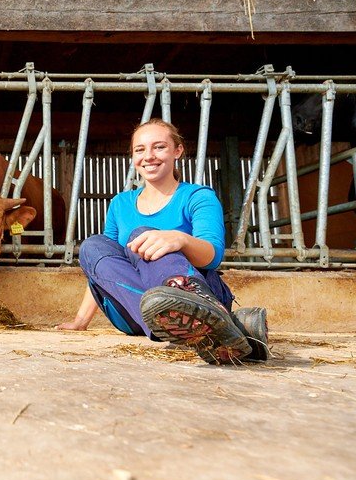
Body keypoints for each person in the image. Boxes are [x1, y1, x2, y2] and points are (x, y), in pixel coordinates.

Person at [58, 117, 269, 365]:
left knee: (140, 235)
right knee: (93, 245)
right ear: (133, 157)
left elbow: (213, 256)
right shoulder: (120, 204)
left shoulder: (197, 196)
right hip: (135, 312)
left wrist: (179, 239)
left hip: (201, 296)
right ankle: (207, 325)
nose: (149, 156)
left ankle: (191, 310)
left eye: (159, 147)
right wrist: (81, 321)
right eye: (140, 150)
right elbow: (101, 268)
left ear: (177, 151)